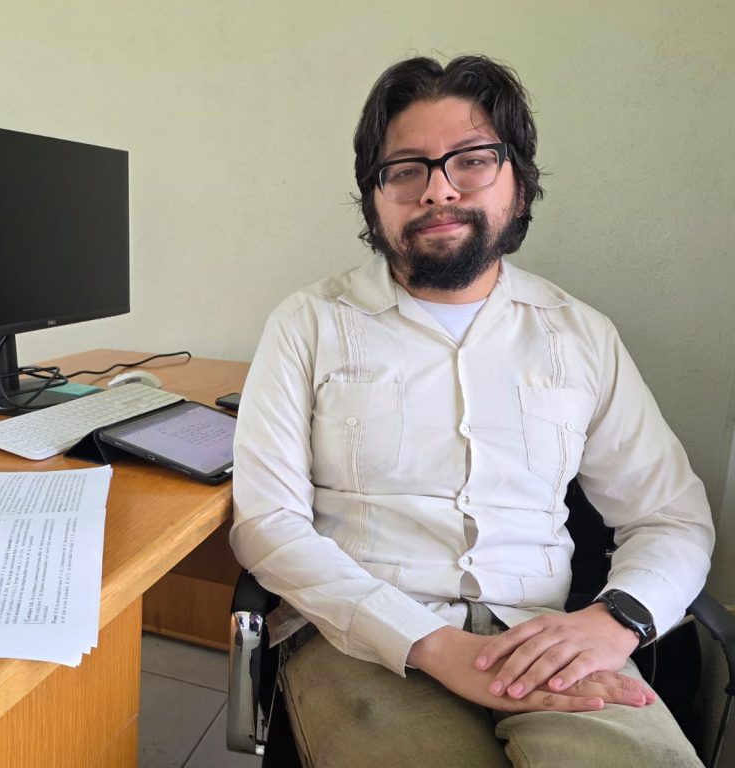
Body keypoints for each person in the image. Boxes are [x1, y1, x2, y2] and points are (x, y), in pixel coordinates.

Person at [230, 54, 715, 767]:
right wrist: (429, 644)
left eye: (472, 160)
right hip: (362, 638)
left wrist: (617, 621)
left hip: (549, 638)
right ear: (373, 197)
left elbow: (670, 515)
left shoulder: (579, 335)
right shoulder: (308, 324)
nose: (438, 188)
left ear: (518, 183)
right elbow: (267, 525)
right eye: (406, 169)